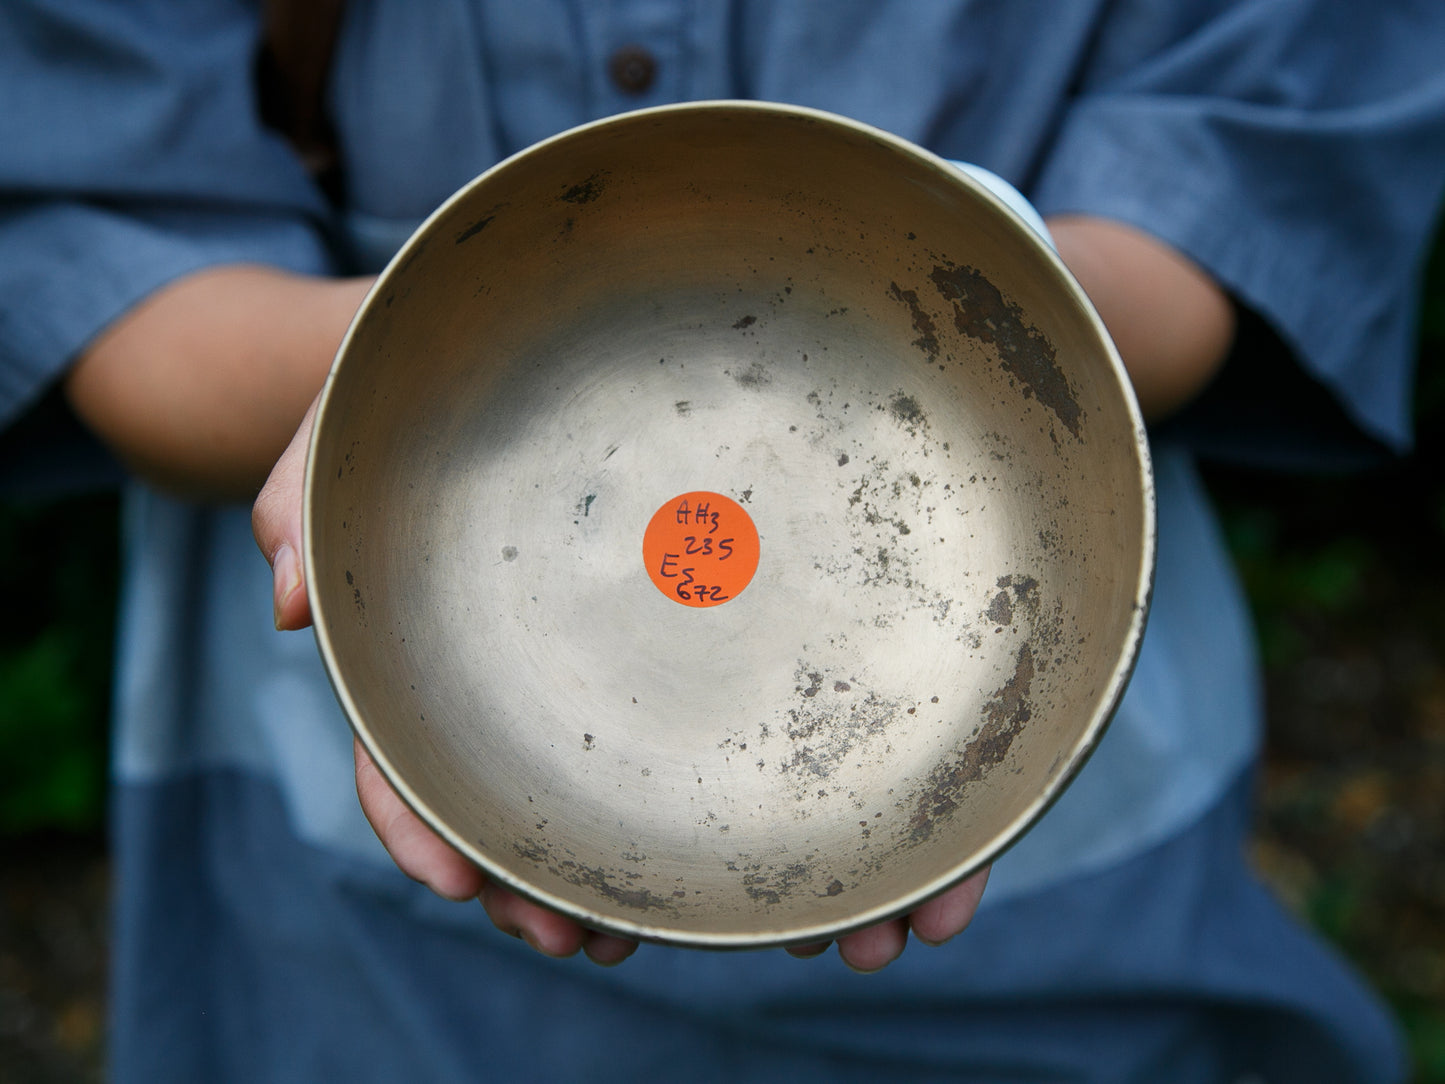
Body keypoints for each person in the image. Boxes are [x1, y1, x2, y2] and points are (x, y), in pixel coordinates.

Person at [3, 3, 1443, 1080]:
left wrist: (990, 269)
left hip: (1021, 788)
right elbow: (107, 271)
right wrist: (409, 380)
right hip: (361, 871)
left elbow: (1236, 187)